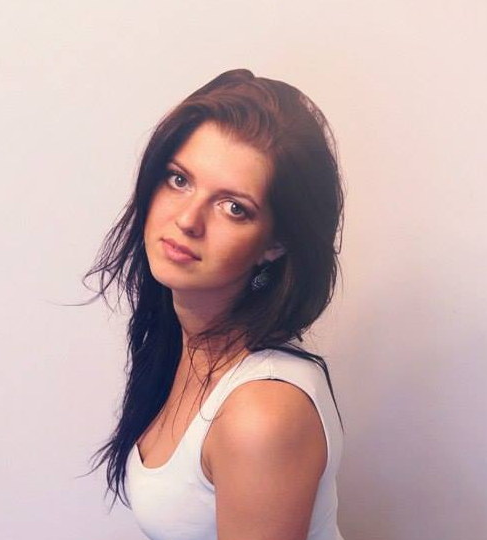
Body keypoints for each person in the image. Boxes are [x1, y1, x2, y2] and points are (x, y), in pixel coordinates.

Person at [84, 68, 345, 540]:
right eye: (179, 179)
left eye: (234, 207)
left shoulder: (261, 413)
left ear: (276, 244)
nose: (187, 219)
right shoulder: (184, 345)